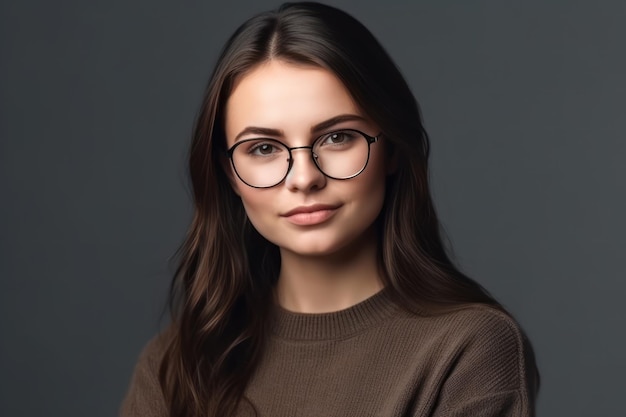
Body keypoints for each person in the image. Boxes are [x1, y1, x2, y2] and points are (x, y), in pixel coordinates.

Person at [120, 2, 539, 416]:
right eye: (264, 148)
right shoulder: (172, 366)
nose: (304, 178)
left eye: (337, 138)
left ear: (391, 148)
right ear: (229, 172)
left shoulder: (469, 349)